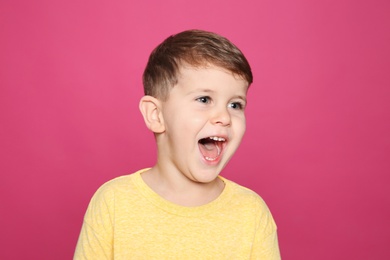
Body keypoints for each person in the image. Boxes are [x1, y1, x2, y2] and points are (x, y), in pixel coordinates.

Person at [74, 29, 281, 259]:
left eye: (235, 105)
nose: (224, 117)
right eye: (204, 99)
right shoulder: (113, 203)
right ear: (156, 115)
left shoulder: (251, 213)